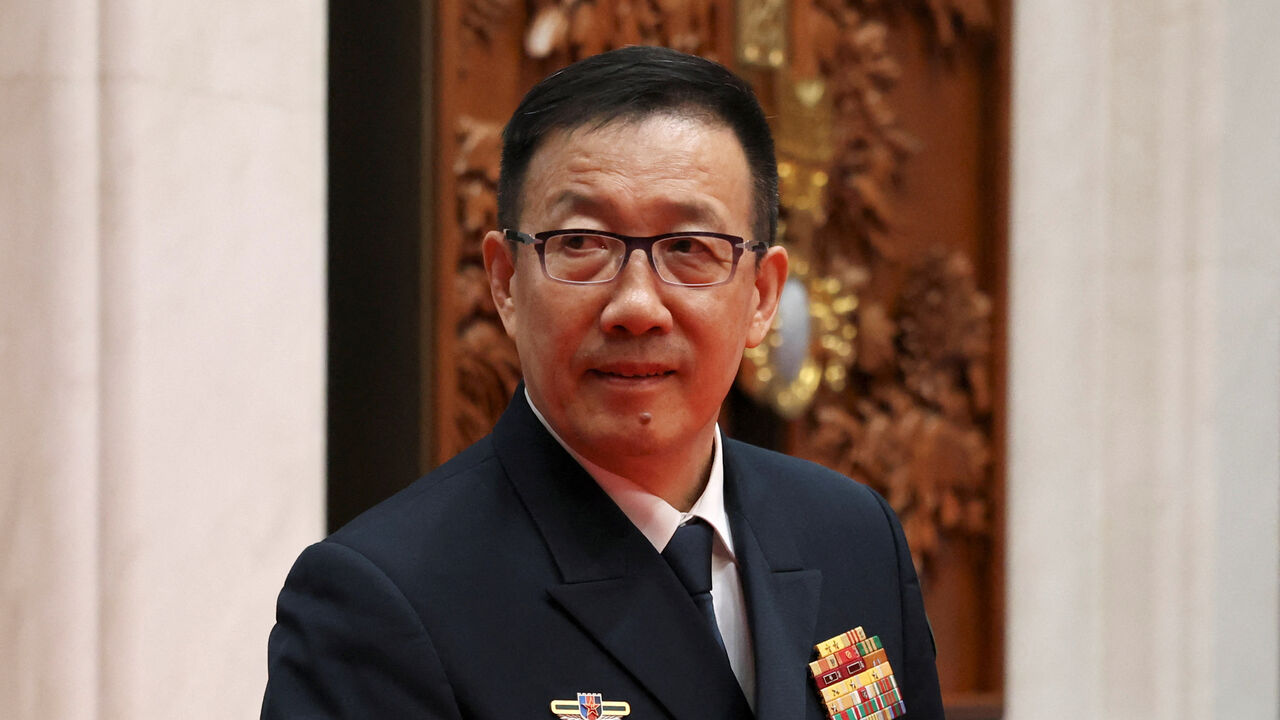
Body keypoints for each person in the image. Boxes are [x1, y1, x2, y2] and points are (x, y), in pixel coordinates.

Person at [262, 46, 943, 720]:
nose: (638, 306)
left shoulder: (853, 535)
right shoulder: (382, 599)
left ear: (762, 295)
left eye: (689, 248)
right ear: (504, 281)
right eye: (582, 244)